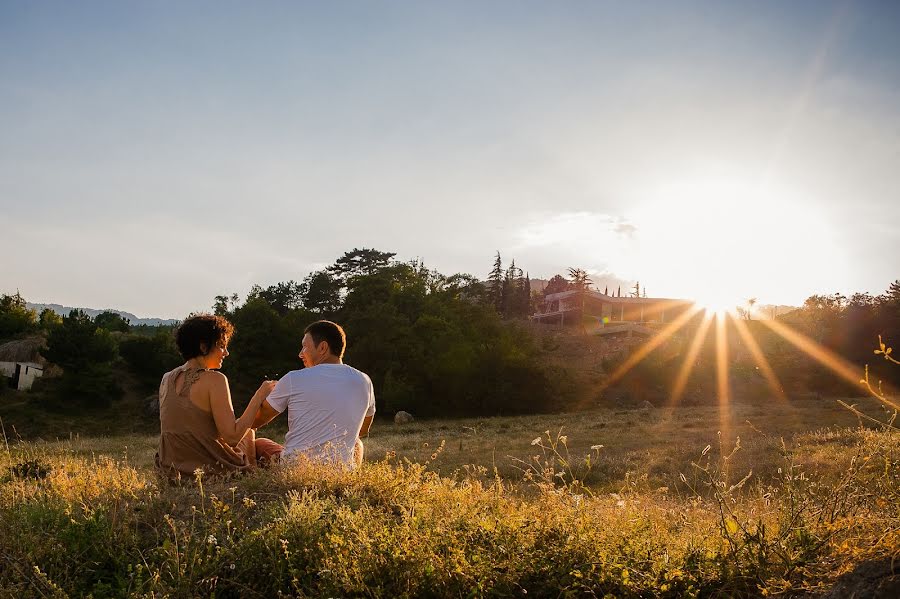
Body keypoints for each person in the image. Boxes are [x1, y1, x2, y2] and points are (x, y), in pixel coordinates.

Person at [156, 314, 283, 479]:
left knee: (254, 440)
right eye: (222, 346)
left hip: (170, 473)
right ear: (203, 347)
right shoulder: (215, 380)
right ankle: (271, 468)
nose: (227, 353)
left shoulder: (167, 378)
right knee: (251, 435)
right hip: (209, 472)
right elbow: (232, 437)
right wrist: (259, 396)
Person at [252, 320, 375, 469]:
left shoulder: (293, 378)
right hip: (339, 471)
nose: (300, 354)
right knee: (357, 443)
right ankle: (350, 476)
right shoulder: (364, 380)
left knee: (260, 443)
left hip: (296, 470)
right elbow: (362, 430)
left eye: (304, 347)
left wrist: (260, 395)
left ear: (322, 347)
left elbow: (255, 421)